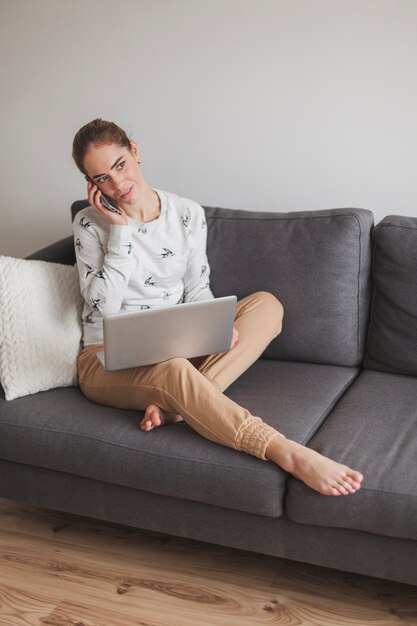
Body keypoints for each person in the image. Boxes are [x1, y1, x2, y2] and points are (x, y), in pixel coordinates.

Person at [72, 118, 364, 497]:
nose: (117, 184)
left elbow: (196, 287)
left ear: (135, 150)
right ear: (91, 185)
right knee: (173, 370)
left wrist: (215, 325)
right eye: (101, 179)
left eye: (120, 164)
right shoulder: (90, 224)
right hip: (105, 359)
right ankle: (285, 451)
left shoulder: (186, 213)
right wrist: (121, 233)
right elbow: (102, 306)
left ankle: (180, 406)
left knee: (266, 305)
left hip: (176, 345)